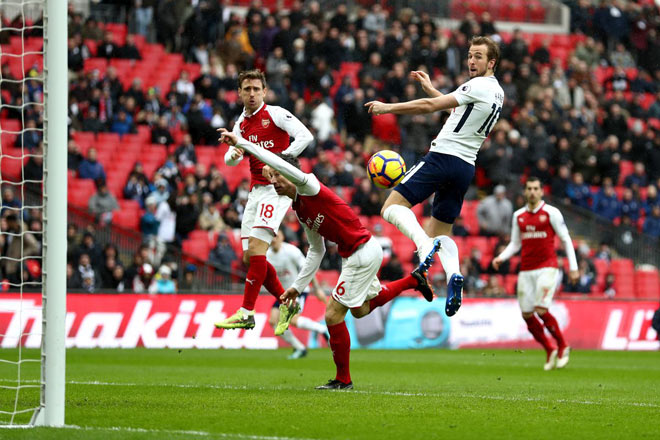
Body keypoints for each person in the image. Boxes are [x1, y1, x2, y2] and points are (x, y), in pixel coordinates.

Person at [217, 128, 434, 390]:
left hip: (362, 251)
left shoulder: (307, 184)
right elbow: (316, 251)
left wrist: (241, 143)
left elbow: (274, 160)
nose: (273, 181)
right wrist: (297, 287)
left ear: (287, 173)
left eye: (276, 176)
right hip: (356, 254)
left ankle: (343, 380)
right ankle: (413, 280)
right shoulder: (299, 209)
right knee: (361, 309)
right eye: (271, 177)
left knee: (332, 314)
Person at [364, 36, 505, 318]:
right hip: (465, 167)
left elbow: (430, 107)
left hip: (442, 157)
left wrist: (387, 108)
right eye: (469, 55)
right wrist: (430, 87)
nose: (471, 61)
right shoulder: (497, 92)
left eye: (478, 56)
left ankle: (423, 245)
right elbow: (457, 109)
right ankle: (454, 274)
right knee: (441, 233)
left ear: (491, 62)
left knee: (391, 207)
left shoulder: (477, 85)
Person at [216, 69, 313, 329]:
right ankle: (287, 303)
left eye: (256, 89)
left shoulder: (276, 114)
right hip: (255, 191)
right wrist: (235, 152)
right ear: (239, 93)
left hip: (276, 189)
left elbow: (306, 136)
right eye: (246, 89)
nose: (251, 94)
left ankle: (247, 312)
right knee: (250, 257)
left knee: (258, 249)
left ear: (264, 92)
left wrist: (280, 162)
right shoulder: (242, 123)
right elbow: (228, 157)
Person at [491, 177, 579, 371]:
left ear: (541, 192)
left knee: (541, 309)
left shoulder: (551, 213)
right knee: (527, 314)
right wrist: (501, 257)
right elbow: (515, 243)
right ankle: (549, 348)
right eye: (529, 188)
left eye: (535, 189)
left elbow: (565, 239)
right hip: (527, 269)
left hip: (548, 267)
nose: (532, 192)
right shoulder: (518, 216)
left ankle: (563, 345)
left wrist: (573, 267)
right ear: (525, 192)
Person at [266, 231, 329, 359]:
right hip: (282, 293)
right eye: (271, 237)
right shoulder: (267, 255)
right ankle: (300, 348)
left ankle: (322, 329)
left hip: (297, 290)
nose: (273, 240)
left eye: (276, 236)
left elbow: (308, 268)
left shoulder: (291, 251)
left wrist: (316, 289)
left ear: (282, 237)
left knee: (292, 320)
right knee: (273, 321)